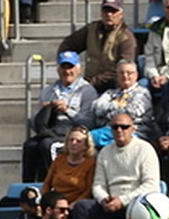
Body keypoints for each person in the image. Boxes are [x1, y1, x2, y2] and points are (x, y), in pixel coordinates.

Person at [72, 113, 160, 219]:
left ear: (133, 129)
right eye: (115, 127)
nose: (119, 130)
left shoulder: (145, 149)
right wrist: (104, 199)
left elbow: (151, 185)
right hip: (109, 203)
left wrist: (122, 200)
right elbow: (98, 184)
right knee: (81, 208)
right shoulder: (104, 152)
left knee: (144, 211)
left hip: (134, 202)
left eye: (124, 127)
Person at [22, 51, 99, 183]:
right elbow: (35, 123)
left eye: (70, 67)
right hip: (50, 131)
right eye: (63, 67)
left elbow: (89, 123)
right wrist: (45, 110)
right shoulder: (49, 91)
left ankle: (53, 184)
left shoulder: (87, 91)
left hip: (72, 133)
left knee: (47, 145)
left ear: (78, 69)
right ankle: (27, 187)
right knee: (30, 145)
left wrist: (67, 110)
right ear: (58, 69)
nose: (67, 71)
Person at [59, 0, 138, 92]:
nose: (109, 14)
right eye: (106, 10)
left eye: (113, 11)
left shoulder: (126, 37)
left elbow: (126, 68)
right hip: (89, 83)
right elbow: (68, 45)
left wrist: (94, 81)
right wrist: (68, 66)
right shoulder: (91, 29)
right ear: (101, 12)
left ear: (121, 14)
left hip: (114, 86)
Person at [42, 124, 96, 206]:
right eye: (71, 140)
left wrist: (73, 205)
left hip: (76, 205)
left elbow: (88, 191)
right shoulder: (59, 160)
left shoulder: (90, 163)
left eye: (78, 141)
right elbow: (47, 184)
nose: (74, 143)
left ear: (86, 146)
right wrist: (45, 201)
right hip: (56, 203)